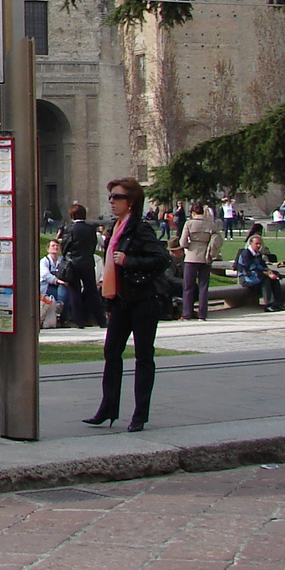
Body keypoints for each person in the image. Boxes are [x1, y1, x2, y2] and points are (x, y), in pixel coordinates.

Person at [85, 176, 172, 433]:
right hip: (122, 300)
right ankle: (108, 408)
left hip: (144, 300)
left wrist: (129, 261)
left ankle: (139, 415)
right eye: (111, 197)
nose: (111, 202)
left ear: (131, 201)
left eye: (117, 197)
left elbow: (161, 258)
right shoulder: (116, 227)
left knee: (143, 356)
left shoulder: (140, 228)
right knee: (112, 352)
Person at [59, 203, 107, 328]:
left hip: (74, 263)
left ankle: (79, 321)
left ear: (72, 215)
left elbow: (65, 246)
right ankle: (101, 319)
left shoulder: (70, 229)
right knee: (92, 291)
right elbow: (93, 244)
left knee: (75, 292)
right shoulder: (91, 229)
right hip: (87, 262)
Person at [176, 201, 220, 321]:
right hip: (206, 255)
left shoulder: (189, 223)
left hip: (192, 255)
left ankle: (187, 313)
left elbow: (182, 242)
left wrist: (188, 246)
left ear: (193, 212)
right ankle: (202, 314)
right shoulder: (211, 224)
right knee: (203, 286)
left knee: (188, 286)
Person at [235, 227, 285, 311]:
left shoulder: (258, 254)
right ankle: (268, 305)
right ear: (250, 243)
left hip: (255, 276)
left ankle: (278, 303)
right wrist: (268, 274)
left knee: (274, 278)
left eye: (260, 244)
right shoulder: (245, 253)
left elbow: (262, 265)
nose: (259, 246)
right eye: (257, 244)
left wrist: (271, 272)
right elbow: (252, 268)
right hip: (246, 278)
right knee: (265, 279)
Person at [39, 239, 72, 327]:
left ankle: (61, 310)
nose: (55, 247)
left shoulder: (62, 261)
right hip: (47, 287)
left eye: (57, 246)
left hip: (61, 286)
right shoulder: (44, 261)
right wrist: (57, 280)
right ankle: (61, 312)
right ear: (48, 249)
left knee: (66, 291)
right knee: (63, 288)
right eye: (53, 246)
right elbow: (45, 275)